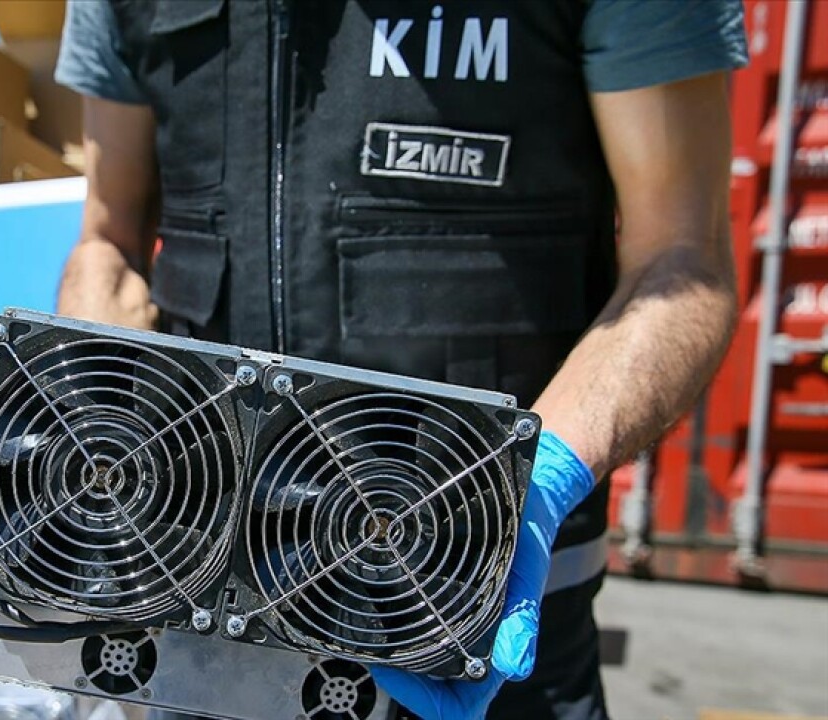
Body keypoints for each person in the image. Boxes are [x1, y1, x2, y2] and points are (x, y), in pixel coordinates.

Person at [53, 1, 747, 718]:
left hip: (476, 612)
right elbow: (108, 240)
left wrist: (540, 479)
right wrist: (95, 438)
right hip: (199, 620)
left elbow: (681, 258)